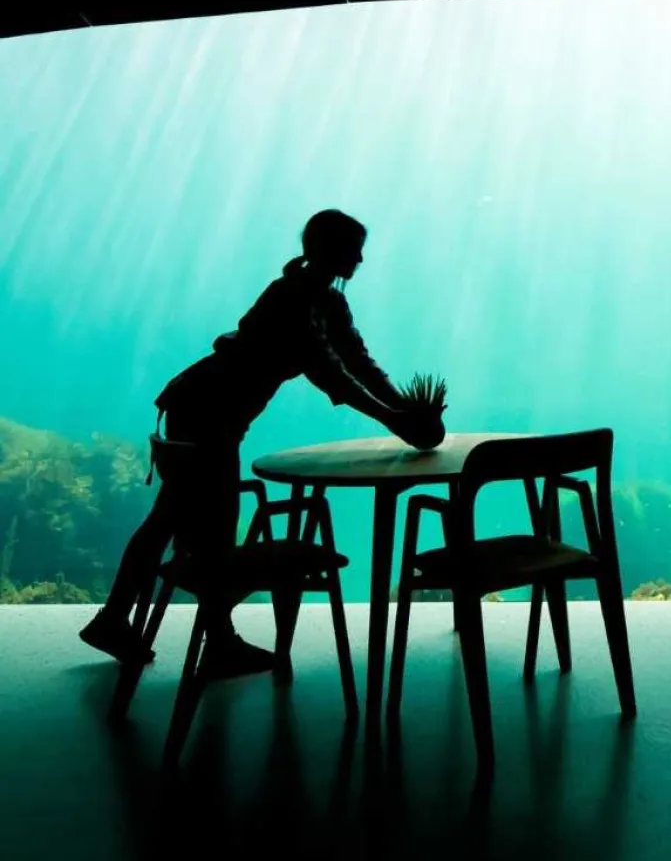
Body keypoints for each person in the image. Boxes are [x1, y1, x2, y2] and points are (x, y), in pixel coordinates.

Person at [79, 209, 443, 680]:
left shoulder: (328, 304)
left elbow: (359, 362)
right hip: (205, 416)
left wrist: (405, 411)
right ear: (328, 250)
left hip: (211, 414)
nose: (360, 257)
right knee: (199, 527)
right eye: (353, 247)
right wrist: (396, 420)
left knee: (176, 522)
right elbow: (330, 373)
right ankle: (203, 639)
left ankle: (139, 625)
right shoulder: (291, 298)